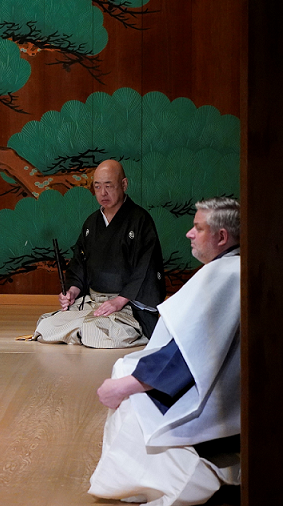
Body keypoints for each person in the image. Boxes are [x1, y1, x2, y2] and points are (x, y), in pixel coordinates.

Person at [89, 197, 241, 506]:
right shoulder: (232, 267)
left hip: (215, 389)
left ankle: (153, 486)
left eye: (198, 228)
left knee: (128, 385)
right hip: (95, 299)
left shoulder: (226, 274)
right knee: (125, 364)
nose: (189, 233)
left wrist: (126, 386)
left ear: (222, 237)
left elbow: (190, 349)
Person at [33, 160, 165, 347]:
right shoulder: (91, 223)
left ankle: (82, 331)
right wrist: (72, 291)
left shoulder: (140, 221)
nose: (103, 193)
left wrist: (119, 301)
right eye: (97, 186)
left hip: (126, 307)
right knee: (45, 326)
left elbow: (146, 268)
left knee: (100, 331)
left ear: (124, 184)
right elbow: (79, 265)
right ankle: (82, 330)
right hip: (93, 303)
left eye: (109, 186)